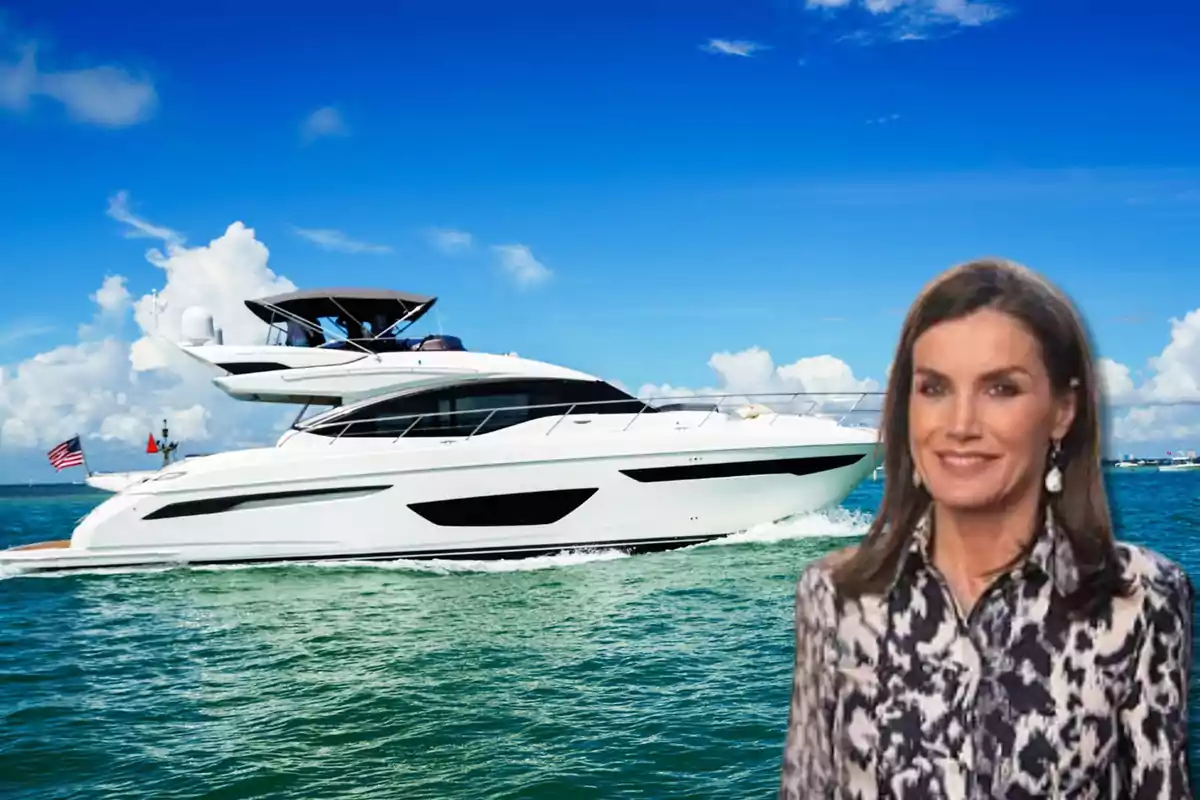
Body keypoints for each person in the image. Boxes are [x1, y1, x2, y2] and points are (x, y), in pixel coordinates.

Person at [778, 258, 1193, 798]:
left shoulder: (1142, 598)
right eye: (933, 389)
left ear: (1063, 410)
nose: (960, 425)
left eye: (1000, 389)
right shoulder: (835, 594)